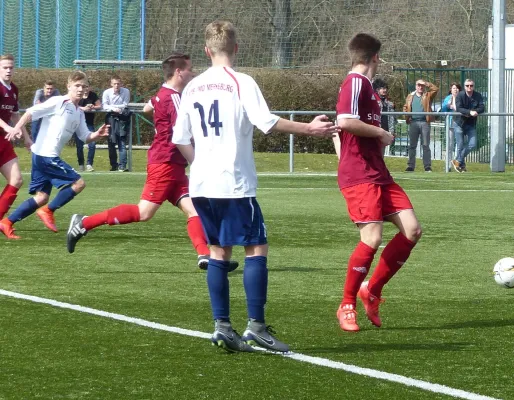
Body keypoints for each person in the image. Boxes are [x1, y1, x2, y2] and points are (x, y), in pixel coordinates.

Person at [172, 20, 338, 353]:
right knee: (256, 247)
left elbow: (179, 139)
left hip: (202, 183)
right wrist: (310, 129)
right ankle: (256, 328)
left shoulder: (192, 87)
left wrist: (200, 163)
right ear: (236, 47)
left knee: (218, 251)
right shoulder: (241, 82)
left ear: (207, 51)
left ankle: (222, 327)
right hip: (233, 182)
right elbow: (268, 123)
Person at [66, 53, 238, 272]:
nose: (192, 73)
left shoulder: (163, 94)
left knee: (194, 211)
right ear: (178, 72)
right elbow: (183, 133)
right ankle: (83, 224)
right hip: (165, 163)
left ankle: (205, 255)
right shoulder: (174, 97)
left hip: (172, 165)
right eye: (189, 69)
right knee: (144, 213)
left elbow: (150, 107)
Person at [334, 33, 422, 333]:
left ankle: (371, 290)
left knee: (412, 230)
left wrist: (375, 139)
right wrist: (381, 133)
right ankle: (346, 304)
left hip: (377, 172)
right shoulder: (355, 82)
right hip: (360, 175)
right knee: (371, 238)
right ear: (376, 57)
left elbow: (343, 130)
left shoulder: (368, 88)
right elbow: (345, 121)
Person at [0, 71, 109, 239]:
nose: (80, 89)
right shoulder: (59, 102)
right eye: (77, 86)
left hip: (42, 155)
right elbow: (30, 112)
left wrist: (97, 134)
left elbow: (84, 136)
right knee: (78, 183)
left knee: (42, 197)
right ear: (68, 86)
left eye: (84, 86)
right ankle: (48, 211)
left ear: (87, 89)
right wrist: (16, 128)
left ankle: (7, 222)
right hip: (46, 155)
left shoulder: (79, 112)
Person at [0, 54, 32, 221]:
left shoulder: (13, 89)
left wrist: (26, 137)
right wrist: (7, 128)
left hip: (3, 141)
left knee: (17, 179)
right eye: (5, 67)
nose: (8, 70)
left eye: (11, 67)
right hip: (4, 134)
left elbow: (14, 116)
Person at [403, 79, 439, 172]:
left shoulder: (427, 95)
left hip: (424, 123)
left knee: (426, 145)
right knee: (412, 146)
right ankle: (411, 166)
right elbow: (405, 107)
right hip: (413, 123)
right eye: (419, 85)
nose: (420, 87)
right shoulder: (410, 96)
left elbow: (435, 89)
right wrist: (407, 116)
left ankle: (427, 166)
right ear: (415, 86)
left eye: (422, 85)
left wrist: (426, 83)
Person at [451, 79, 485, 173]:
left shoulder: (477, 95)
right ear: (464, 86)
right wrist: (469, 112)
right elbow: (459, 108)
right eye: (467, 86)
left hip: (471, 124)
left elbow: (482, 107)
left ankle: (457, 161)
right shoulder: (460, 95)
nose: (469, 87)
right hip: (459, 123)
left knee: (472, 144)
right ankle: (461, 166)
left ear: (473, 86)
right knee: (460, 145)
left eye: (471, 86)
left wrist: (476, 111)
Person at [102, 75, 130, 171]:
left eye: (118, 83)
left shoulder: (126, 91)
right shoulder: (106, 92)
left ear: (121, 84)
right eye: (114, 84)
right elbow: (105, 105)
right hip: (110, 118)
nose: (116, 85)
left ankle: (122, 165)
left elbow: (125, 104)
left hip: (122, 118)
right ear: (111, 84)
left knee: (121, 141)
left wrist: (116, 108)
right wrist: (114, 108)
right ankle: (114, 165)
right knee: (111, 142)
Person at [75, 84, 101, 172]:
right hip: (78, 123)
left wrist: (93, 107)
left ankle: (89, 164)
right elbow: (73, 105)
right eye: (84, 87)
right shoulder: (77, 95)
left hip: (89, 123)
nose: (85, 89)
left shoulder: (93, 95)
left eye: (87, 87)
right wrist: (83, 108)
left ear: (90, 87)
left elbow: (99, 105)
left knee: (92, 144)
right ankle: (81, 164)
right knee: (79, 146)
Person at [440, 82, 461, 168]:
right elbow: (443, 109)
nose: (455, 90)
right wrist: (448, 105)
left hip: (460, 123)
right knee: (450, 143)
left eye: (457, 88)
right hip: (451, 123)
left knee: (459, 143)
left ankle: (458, 162)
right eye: (453, 88)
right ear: (451, 90)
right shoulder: (448, 98)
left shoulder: (462, 98)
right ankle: (448, 164)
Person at [373, 78, 396, 155]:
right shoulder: (374, 101)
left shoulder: (389, 103)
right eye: (382, 88)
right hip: (376, 130)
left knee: (381, 154)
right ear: (377, 90)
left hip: (385, 130)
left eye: (385, 88)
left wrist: (392, 130)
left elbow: (392, 118)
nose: (384, 90)